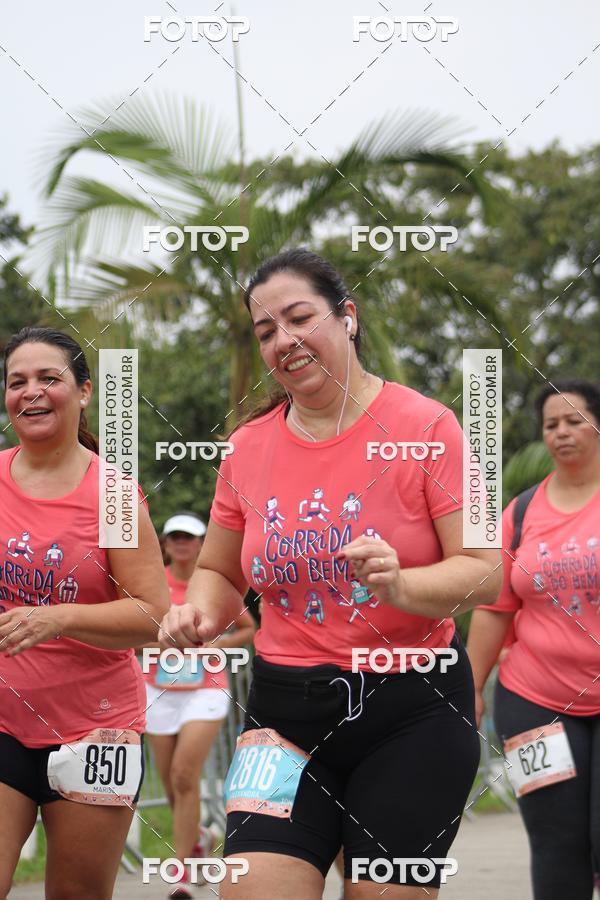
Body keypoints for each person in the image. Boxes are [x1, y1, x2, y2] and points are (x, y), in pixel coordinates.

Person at [158, 249, 501, 899]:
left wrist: (403, 586)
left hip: (412, 713)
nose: (284, 341)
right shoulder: (247, 449)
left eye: (299, 318)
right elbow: (221, 571)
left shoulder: (427, 427)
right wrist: (201, 611)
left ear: (347, 317)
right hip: (283, 716)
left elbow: (486, 572)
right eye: (266, 333)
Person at [0, 327, 170, 900]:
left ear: (85, 391)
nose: (31, 392)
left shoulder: (115, 496)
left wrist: (59, 618)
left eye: (49, 378)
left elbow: (151, 615)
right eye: (16, 381)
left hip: (96, 729)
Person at [468, 379, 600, 900]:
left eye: (574, 419)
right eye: (551, 424)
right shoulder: (520, 514)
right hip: (533, 701)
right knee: (554, 841)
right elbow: (496, 609)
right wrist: (472, 687)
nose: (562, 432)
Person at [142, 511, 256, 900]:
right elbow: (134, 630)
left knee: (184, 775)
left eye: (188, 537)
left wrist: (212, 647)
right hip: (157, 692)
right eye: (174, 536)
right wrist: (158, 644)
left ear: (202, 542)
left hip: (205, 690)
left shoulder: (212, 583)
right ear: (165, 542)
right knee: (176, 787)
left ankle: (184, 874)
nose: (181, 543)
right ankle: (202, 837)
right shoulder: (153, 580)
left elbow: (247, 628)